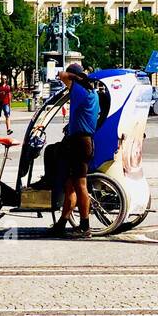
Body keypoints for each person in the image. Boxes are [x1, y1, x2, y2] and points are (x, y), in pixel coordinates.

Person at [51, 64, 101, 238]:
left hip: (79, 143)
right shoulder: (93, 93)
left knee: (80, 186)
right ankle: (62, 223)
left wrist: (73, 77)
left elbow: (62, 75)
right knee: (70, 186)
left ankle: (85, 225)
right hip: (85, 141)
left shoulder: (79, 90)